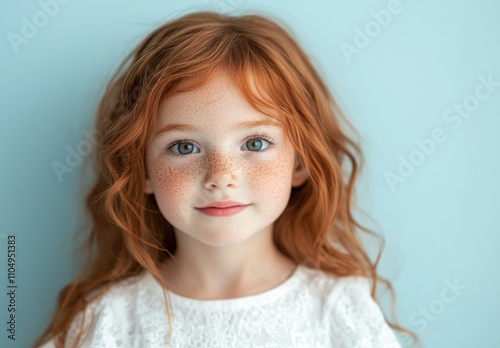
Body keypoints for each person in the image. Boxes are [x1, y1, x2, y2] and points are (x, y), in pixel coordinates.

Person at [34, 10, 417, 348]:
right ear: (143, 169)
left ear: (300, 162)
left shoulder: (338, 311)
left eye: (254, 142)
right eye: (184, 147)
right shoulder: (111, 322)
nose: (221, 177)